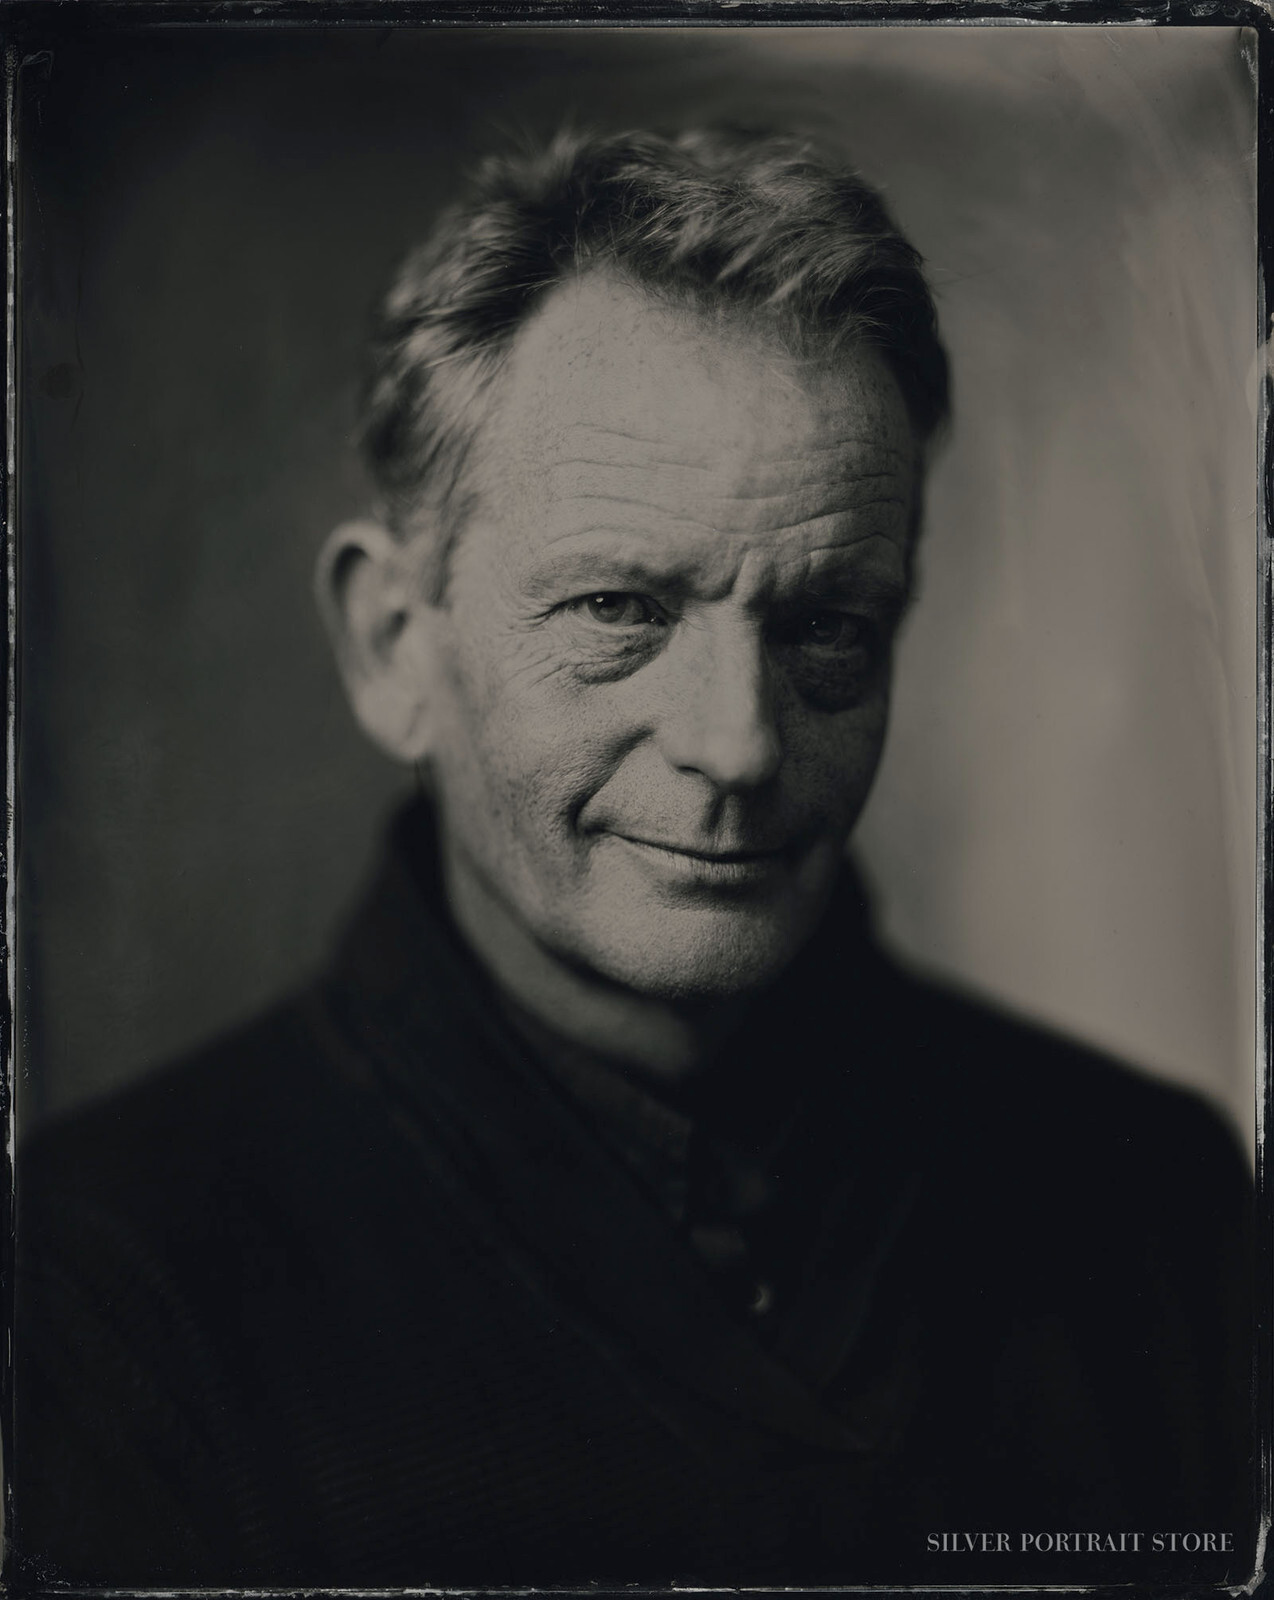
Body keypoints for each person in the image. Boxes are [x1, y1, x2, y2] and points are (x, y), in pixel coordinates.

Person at [12, 127, 1255, 1590]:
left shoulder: (1155, 1204)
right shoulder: (99, 1286)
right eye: (617, 607)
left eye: (828, 629)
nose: (736, 744)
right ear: (393, 646)